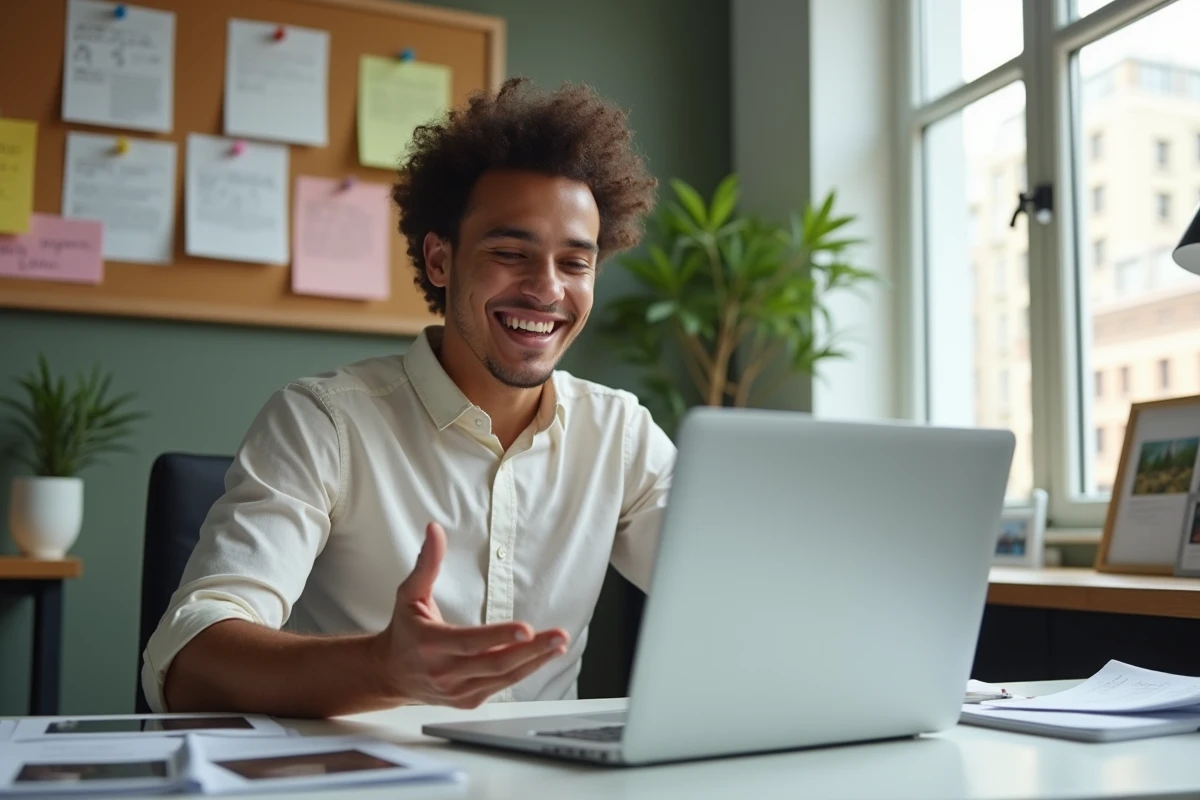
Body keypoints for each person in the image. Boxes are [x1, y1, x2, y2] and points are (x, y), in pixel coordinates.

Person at [141, 78, 673, 718]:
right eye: (511, 252)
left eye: (575, 263)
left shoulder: (619, 432)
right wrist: (382, 668)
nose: (546, 289)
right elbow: (188, 659)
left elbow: (738, 586)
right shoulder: (324, 422)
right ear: (441, 260)